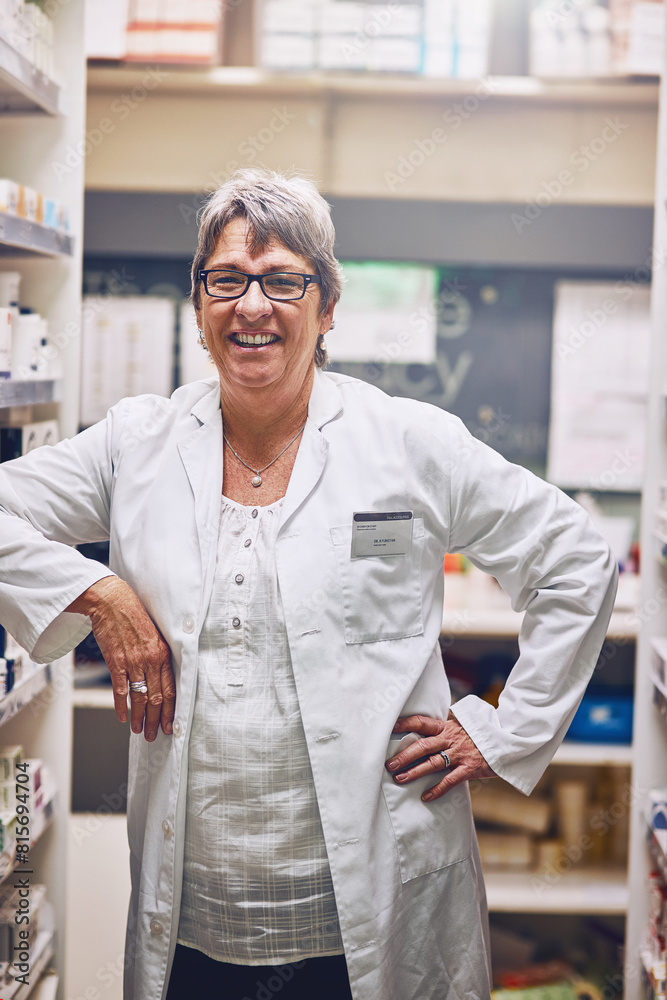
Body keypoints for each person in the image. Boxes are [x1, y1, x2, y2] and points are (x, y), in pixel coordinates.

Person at [0, 167, 616, 1000]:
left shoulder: (407, 442)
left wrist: (500, 730)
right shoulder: (135, 443)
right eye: (226, 279)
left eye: (283, 280)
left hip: (372, 905)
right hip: (195, 915)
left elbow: (575, 557)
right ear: (198, 303)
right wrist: (98, 594)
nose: (252, 305)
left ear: (327, 307)